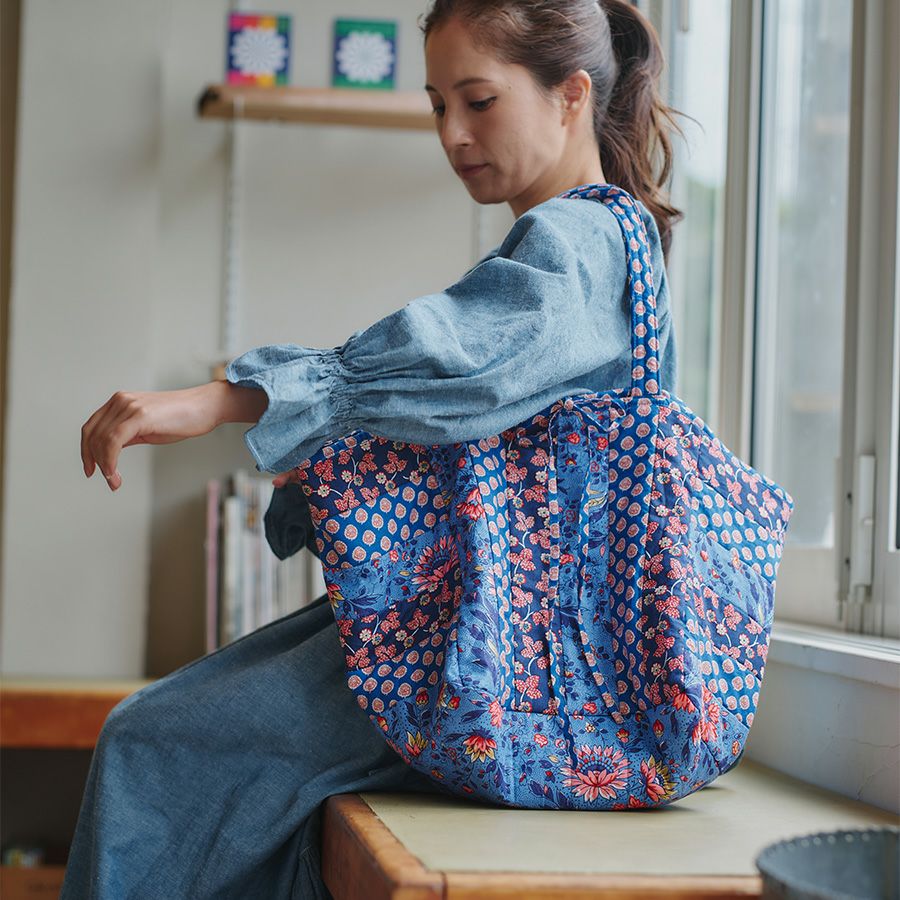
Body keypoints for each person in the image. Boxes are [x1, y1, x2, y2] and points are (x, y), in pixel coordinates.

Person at [66, 1, 684, 896]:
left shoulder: (580, 241)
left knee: (148, 745)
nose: (453, 134)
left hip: (493, 655)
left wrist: (225, 398)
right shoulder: (601, 238)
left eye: (479, 100)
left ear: (572, 96)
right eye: (437, 105)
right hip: (504, 648)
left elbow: (460, 355)